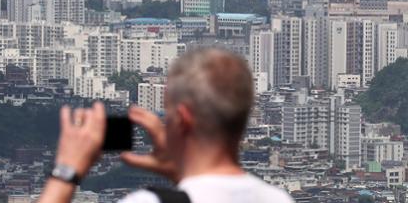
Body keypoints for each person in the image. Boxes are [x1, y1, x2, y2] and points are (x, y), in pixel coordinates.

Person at [38, 48, 294, 203]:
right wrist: (181, 173)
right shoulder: (279, 199)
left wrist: (66, 171)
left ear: (183, 119)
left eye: (167, 114)